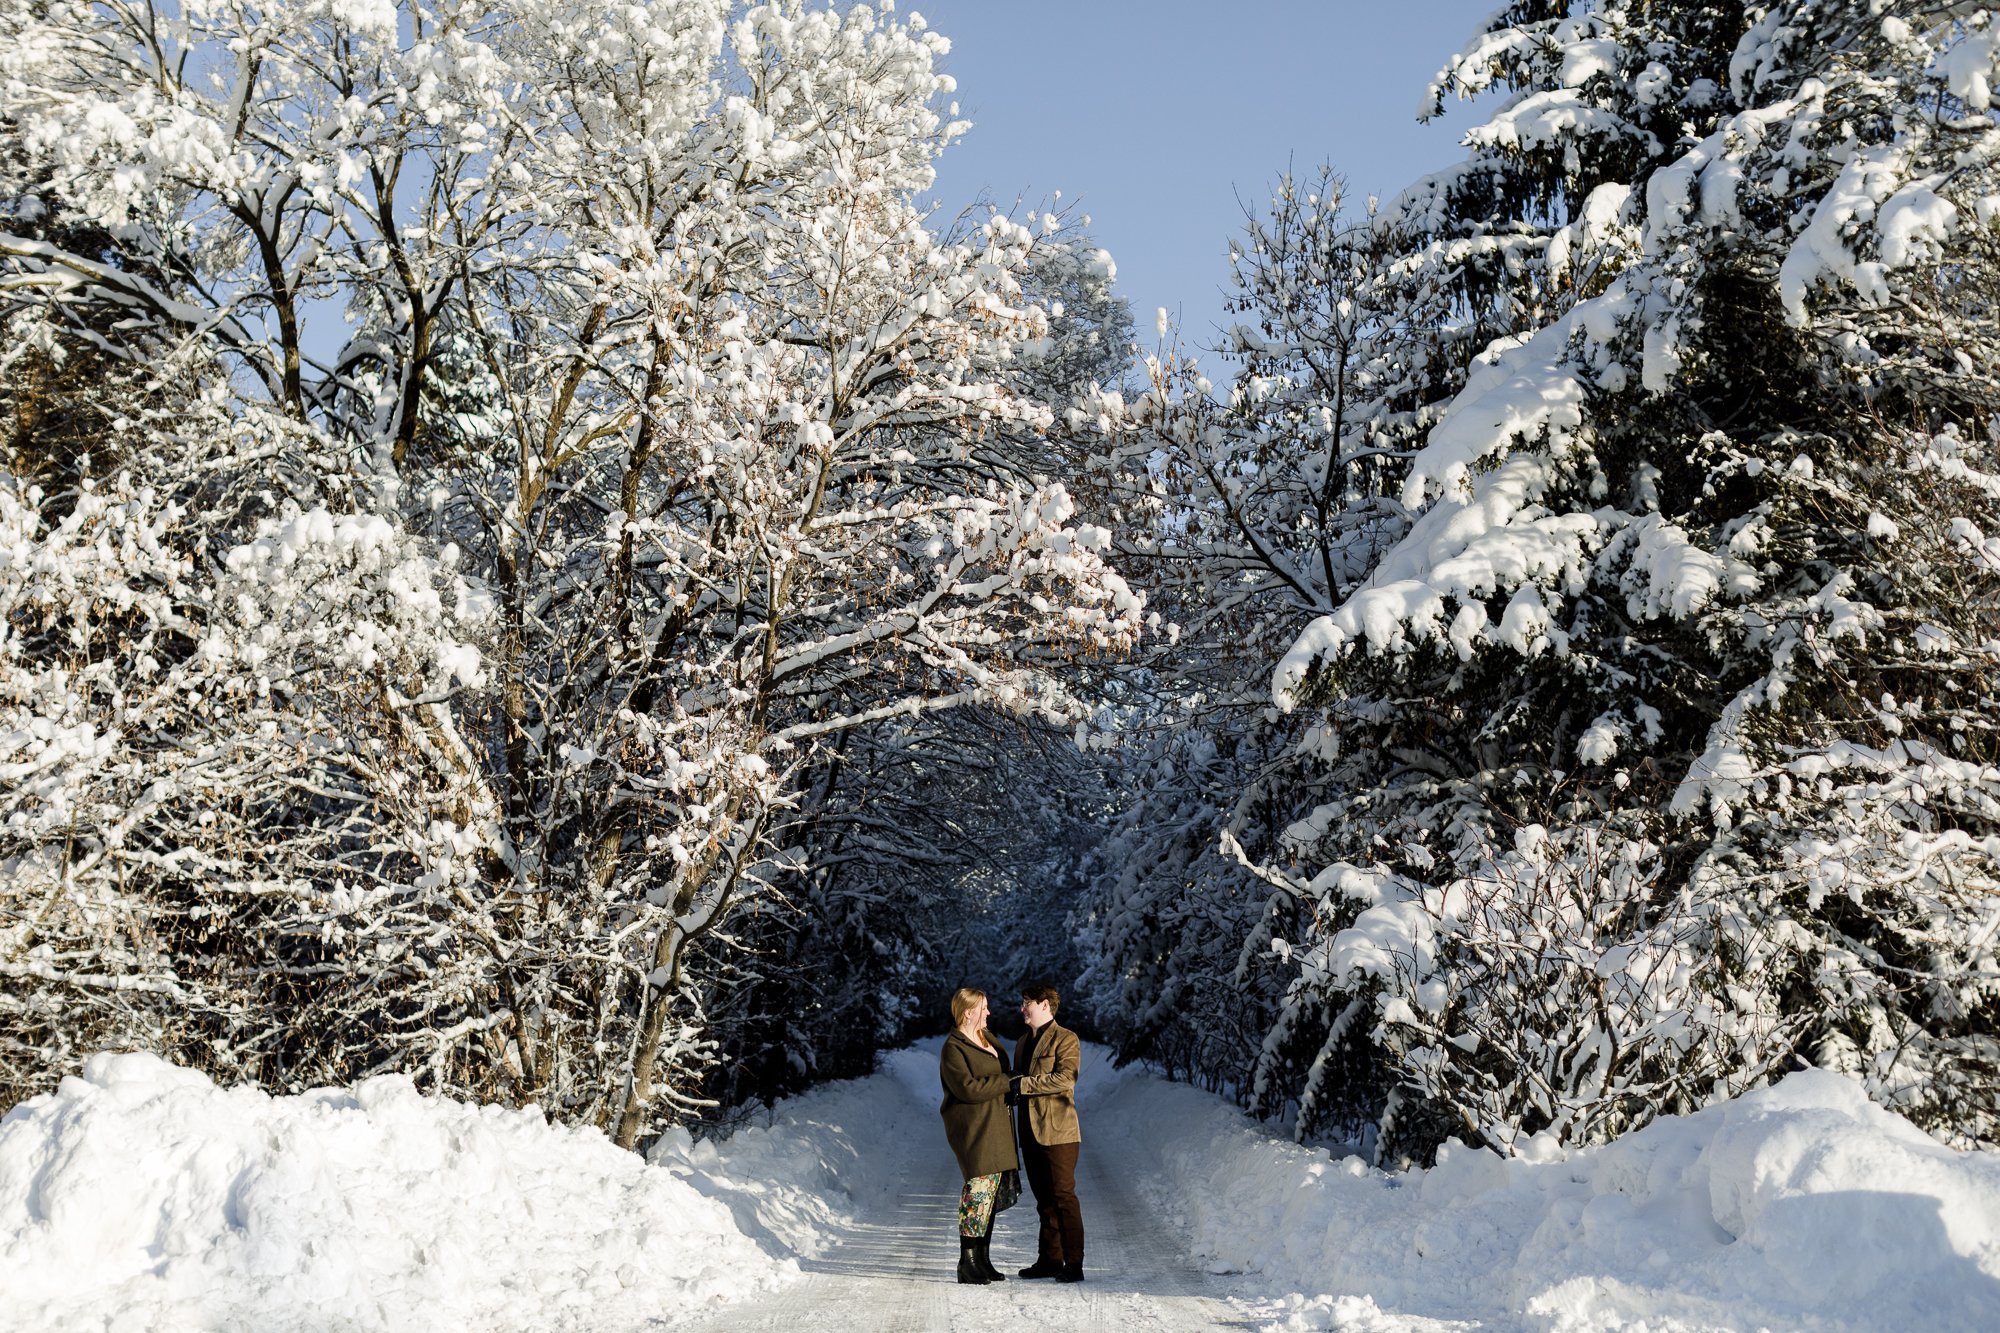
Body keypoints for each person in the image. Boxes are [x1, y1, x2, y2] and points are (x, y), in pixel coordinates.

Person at [938, 987, 1019, 1285]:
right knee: (977, 1193)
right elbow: (967, 1088)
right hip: (974, 1129)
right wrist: (1004, 1082)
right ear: (968, 1011)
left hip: (997, 1125)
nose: (989, 1012)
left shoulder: (987, 1038)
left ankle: (982, 1259)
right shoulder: (953, 1048)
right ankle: (967, 1262)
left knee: (990, 1195)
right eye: (984, 1008)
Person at [1009, 982, 1084, 1282]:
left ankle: (1074, 1264)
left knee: (1064, 1196)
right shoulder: (1021, 1042)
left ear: (1045, 1005)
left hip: (1059, 1133)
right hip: (1029, 1132)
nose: (1022, 1007)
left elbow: (1066, 1079)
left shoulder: (1066, 1039)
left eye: (1028, 1001)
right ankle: (1050, 1260)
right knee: (1044, 1201)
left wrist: (1023, 1085)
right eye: (1023, 1001)